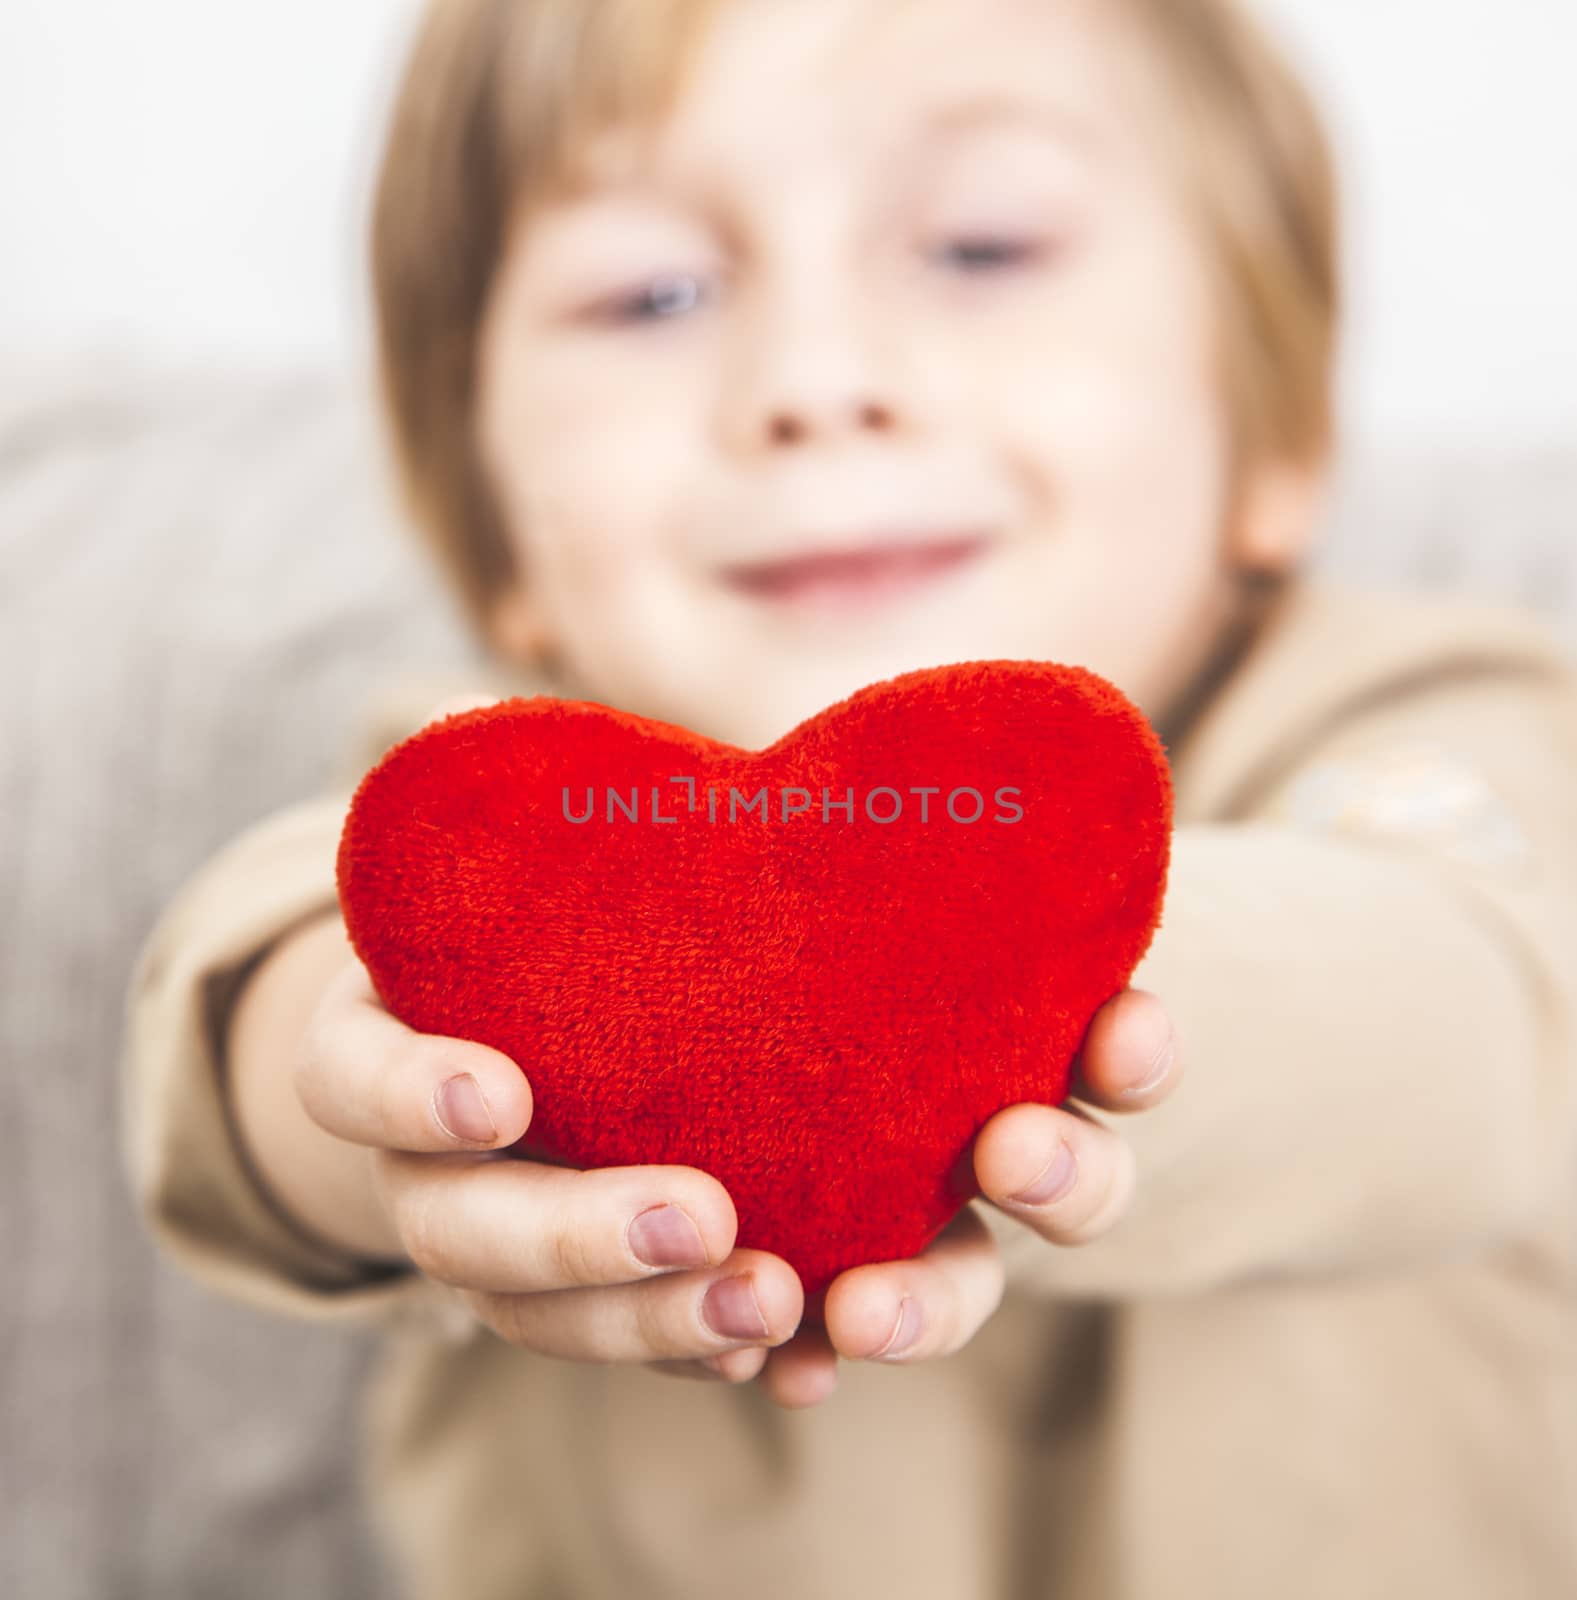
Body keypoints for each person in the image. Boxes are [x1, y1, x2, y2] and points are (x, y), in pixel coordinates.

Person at [119, 0, 1577, 1595]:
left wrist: (985, 980)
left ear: (1273, 432)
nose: (813, 379)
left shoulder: (1425, 714)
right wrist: (377, 1102)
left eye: (977, 248)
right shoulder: (494, 817)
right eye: (651, 292)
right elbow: (253, 996)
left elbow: (1484, 1019)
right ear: (494, 529)